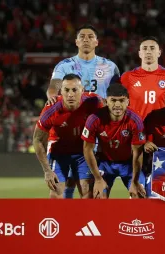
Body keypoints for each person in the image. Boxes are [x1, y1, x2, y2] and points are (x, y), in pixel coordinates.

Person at [46, 24, 120, 198]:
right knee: (68, 179)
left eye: (90, 36)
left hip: (98, 129)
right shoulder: (64, 66)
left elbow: (117, 94)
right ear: (76, 42)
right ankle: (66, 218)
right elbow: (53, 87)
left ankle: (86, 219)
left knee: (89, 183)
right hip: (70, 126)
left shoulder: (109, 66)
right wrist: (51, 96)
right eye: (82, 37)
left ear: (96, 42)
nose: (86, 39)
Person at [33, 74, 103, 199]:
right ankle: (60, 218)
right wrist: (47, 171)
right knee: (56, 192)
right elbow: (37, 140)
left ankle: (86, 219)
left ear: (82, 90)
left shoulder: (94, 102)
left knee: (88, 192)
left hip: (83, 152)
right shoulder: (51, 109)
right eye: (66, 90)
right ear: (61, 91)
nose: (70, 94)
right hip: (58, 152)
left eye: (74, 90)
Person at [81, 83, 146, 199]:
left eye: (121, 100)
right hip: (104, 163)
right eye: (113, 100)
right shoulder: (94, 119)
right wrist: (98, 178)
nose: (117, 105)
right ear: (106, 101)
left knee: (139, 195)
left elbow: (138, 153)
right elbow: (87, 149)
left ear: (128, 102)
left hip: (129, 164)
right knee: (98, 196)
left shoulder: (135, 120)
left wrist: (135, 182)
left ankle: (136, 218)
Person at [121, 36, 165, 119]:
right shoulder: (127, 77)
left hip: (161, 129)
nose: (148, 52)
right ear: (140, 54)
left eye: (152, 48)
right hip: (136, 129)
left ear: (159, 53)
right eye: (145, 48)